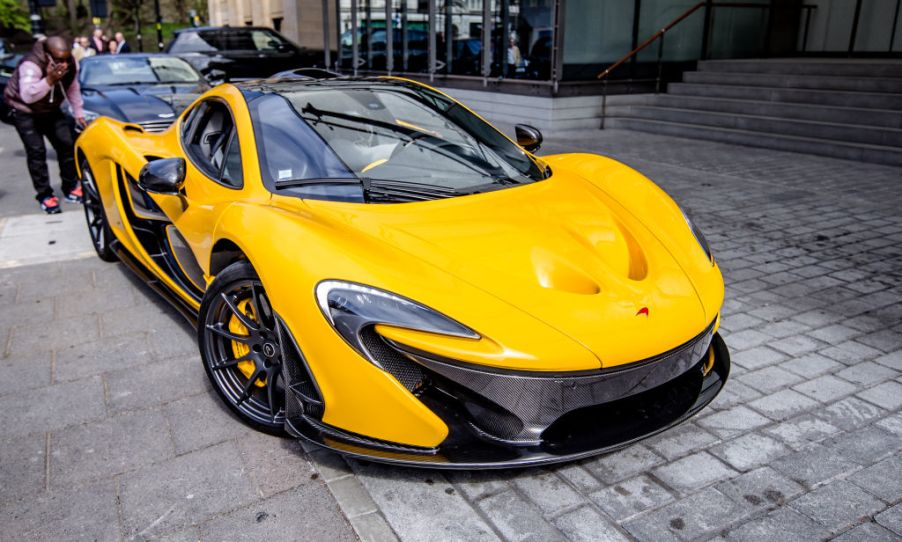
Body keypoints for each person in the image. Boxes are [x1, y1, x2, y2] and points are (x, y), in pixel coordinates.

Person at [3, 36, 86, 214]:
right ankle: (45, 195)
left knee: (66, 144)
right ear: (48, 55)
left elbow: (73, 88)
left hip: (50, 109)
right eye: (58, 59)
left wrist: (78, 112)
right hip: (24, 109)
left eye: (66, 58)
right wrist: (49, 80)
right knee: (36, 151)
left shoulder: (72, 64)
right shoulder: (30, 65)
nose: (63, 63)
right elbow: (28, 96)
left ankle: (71, 187)